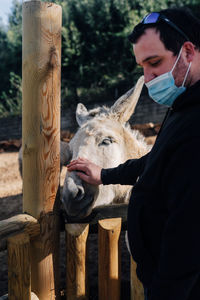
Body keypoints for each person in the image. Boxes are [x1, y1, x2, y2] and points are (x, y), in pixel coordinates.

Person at [67, 7, 200, 300]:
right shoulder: (183, 106)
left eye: (154, 62)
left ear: (188, 51)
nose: (149, 77)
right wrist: (105, 174)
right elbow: (157, 160)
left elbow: (189, 241)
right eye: (142, 66)